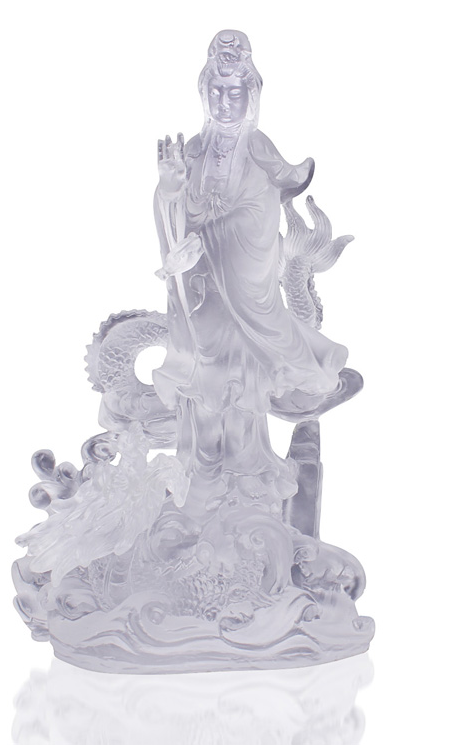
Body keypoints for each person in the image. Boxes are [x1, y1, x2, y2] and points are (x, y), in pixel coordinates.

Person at [153, 30, 347, 508]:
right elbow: (173, 215)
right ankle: (198, 478)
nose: (225, 103)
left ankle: (249, 479)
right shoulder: (193, 153)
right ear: (204, 93)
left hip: (241, 294)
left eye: (235, 92)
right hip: (201, 297)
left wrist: (206, 235)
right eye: (217, 91)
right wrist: (170, 192)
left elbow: (258, 221)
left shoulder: (259, 152)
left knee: (241, 391)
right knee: (201, 390)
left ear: (252, 95)